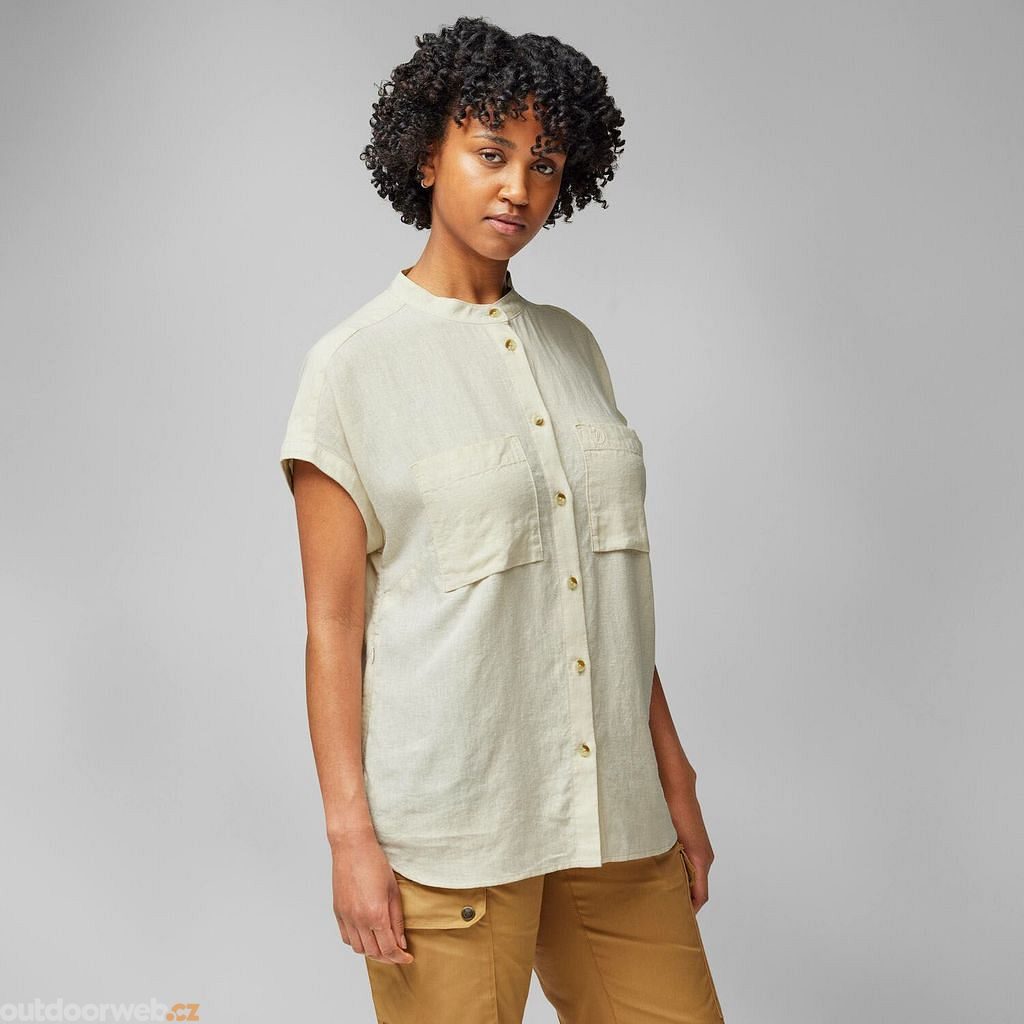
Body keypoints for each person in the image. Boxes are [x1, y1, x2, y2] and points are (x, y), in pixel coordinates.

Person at [279, 16, 726, 1023]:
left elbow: (596, 595)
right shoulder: (351, 368)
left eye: (545, 163)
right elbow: (334, 628)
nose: (519, 186)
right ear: (426, 155)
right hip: (454, 837)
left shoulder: (574, 347)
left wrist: (675, 775)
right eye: (492, 153)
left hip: (614, 820)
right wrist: (350, 838)